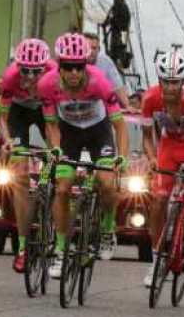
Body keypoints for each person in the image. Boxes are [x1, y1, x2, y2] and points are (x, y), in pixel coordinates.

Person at [38, 32, 128, 277]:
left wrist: (122, 158)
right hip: (70, 135)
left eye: (79, 67)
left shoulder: (99, 82)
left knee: (107, 183)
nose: (75, 73)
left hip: (99, 133)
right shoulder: (47, 84)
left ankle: (108, 230)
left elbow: (119, 124)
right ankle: (60, 249)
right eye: (68, 67)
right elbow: (52, 124)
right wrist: (55, 148)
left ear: (86, 65)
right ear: (60, 66)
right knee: (63, 188)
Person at [140, 46, 184, 288]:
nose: (170, 87)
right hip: (169, 146)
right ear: (159, 79)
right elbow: (148, 136)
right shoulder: (150, 99)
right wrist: (151, 158)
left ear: (183, 81)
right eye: (166, 82)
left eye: (176, 82)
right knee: (159, 199)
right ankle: (157, 258)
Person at [0, 38, 56, 273]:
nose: (30, 77)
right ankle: (22, 248)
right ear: (17, 66)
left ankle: (51, 209)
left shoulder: (55, 76)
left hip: (47, 112)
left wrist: (55, 150)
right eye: (25, 71)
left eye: (36, 72)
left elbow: (55, 124)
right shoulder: (10, 77)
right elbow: (2, 117)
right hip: (19, 114)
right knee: (19, 175)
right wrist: (8, 140)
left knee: (58, 160)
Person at [84, 32, 130, 108]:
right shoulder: (74, 62)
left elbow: (117, 86)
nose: (91, 51)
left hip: (101, 105)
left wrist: (127, 106)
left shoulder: (105, 61)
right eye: (87, 48)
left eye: (94, 48)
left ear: (99, 49)